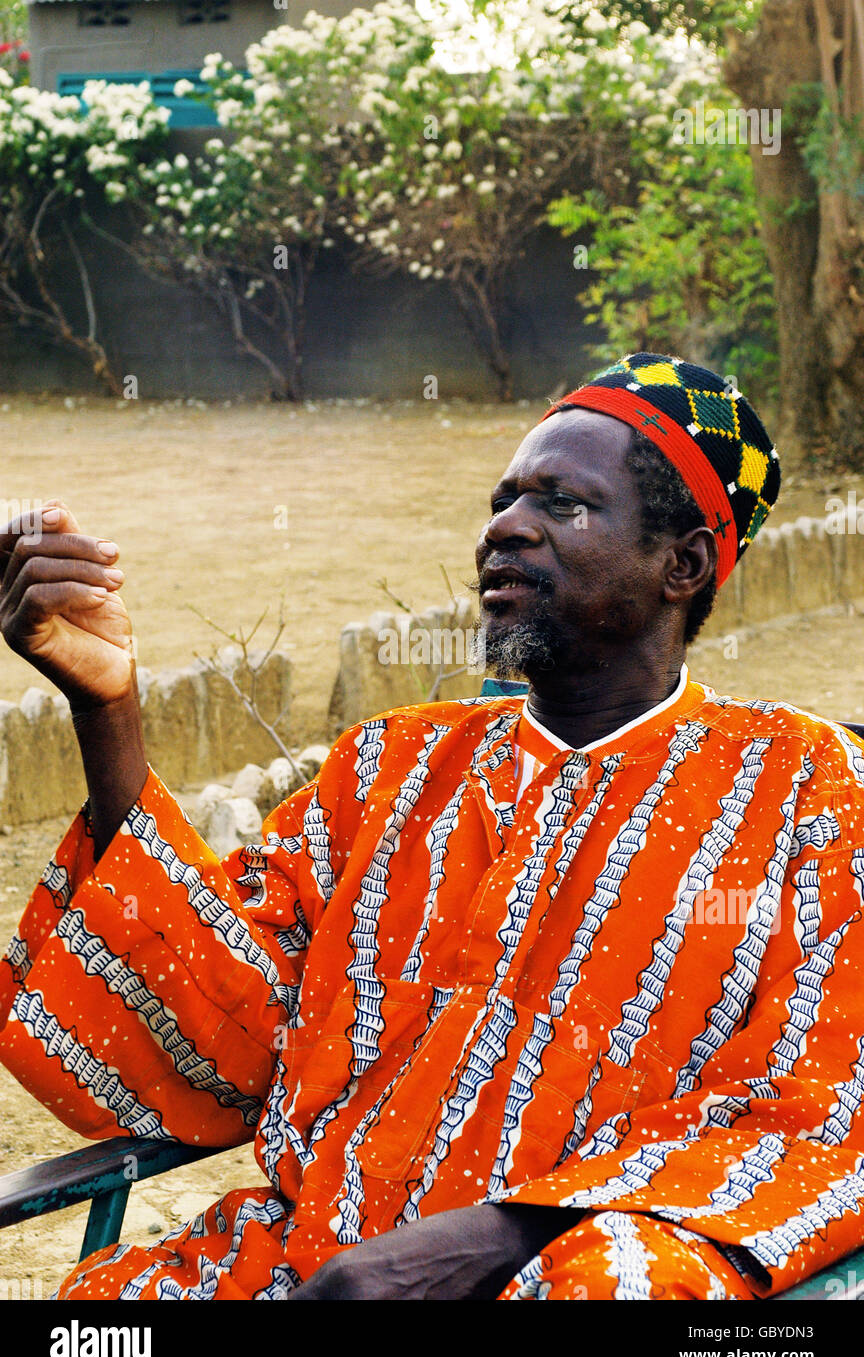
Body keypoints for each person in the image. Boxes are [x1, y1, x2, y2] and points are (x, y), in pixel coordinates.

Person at [1, 352, 863, 1301]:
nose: (505, 527)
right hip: (297, 1270)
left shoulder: (805, 791)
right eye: (503, 501)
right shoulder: (391, 766)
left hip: (572, 1274)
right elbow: (223, 1025)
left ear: (683, 564)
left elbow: (822, 1109)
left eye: (562, 503)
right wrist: (107, 709)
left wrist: (495, 1239)